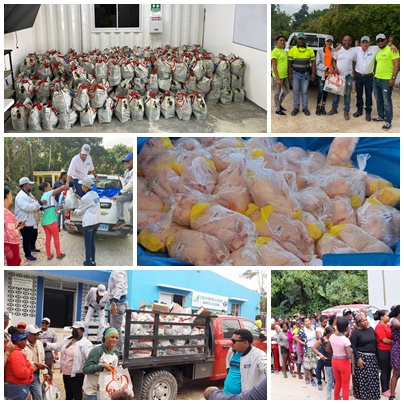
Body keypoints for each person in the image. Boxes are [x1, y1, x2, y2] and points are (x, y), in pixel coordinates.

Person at [45, 321, 93, 400]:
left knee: (77, 395)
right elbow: (57, 346)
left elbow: (89, 356)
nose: (74, 331)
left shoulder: (86, 343)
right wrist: (46, 344)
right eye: (73, 329)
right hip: (66, 373)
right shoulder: (68, 339)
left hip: (77, 374)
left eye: (76, 329)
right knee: (68, 394)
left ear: (82, 331)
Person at [223, 329, 266, 394]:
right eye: (231, 340)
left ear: (245, 343)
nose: (231, 343)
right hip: (225, 393)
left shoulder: (258, 355)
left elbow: (265, 366)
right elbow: (228, 368)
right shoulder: (231, 351)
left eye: (234, 341)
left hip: (242, 397)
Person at [82, 327, 120, 400]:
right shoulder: (97, 350)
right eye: (112, 337)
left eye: (117, 338)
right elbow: (85, 369)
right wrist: (102, 366)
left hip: (106, 391)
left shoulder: (116, 352)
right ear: (105, 337)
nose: (115, 340)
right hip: (93, 392)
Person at [14, 177, 46, 262]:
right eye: (29, 184)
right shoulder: (21, 196)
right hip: (24, 221)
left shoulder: (28, 194)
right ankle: (27, 255)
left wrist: (40, 206)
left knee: (34, 234)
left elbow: (34, 202)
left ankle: (32, 247)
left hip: (31, 219)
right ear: (25, 185)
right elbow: (27, 207)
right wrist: (39, 203)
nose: (31, 186)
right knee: (26, 238)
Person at [372, 33, 400, 130]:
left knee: (387, 101)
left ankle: (388, 121)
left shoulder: (392, 49)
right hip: (376, 79)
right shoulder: (378, 52)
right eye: (378, 41)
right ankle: (380, 116)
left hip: (386, 80)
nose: (380, 42)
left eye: (382, 40)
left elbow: (397, 64)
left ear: (385, 40)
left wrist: (393, 78)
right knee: (378, 99)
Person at [350, 311, 379, 400]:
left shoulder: (371, 329)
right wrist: (358, 358)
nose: (365, 322)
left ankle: (373, 395)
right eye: (363, 321)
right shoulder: (356, 333)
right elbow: (353, 347)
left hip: (372, 357)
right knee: (363, 379)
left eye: (366, 320)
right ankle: (364, 396)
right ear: (358, 323)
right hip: (362, 357)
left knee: (373, 377)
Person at [73, 177, 101, 266]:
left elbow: (80, 212)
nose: (81, 186)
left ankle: (88, 264)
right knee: (92, 243)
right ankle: (93, 261)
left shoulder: (86, 197)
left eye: (82, 185)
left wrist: (74, 210)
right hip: (96, 222)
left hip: (89, 223)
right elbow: (89, 204)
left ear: (85, 187)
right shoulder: (95, 194)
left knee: (87, 245)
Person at [327, 35, 356, 120]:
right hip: (338, 75)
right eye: (345, 40)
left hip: (348, 76)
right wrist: (335, 67)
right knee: (336, 92)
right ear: (342, 41)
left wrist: (353, 72)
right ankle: (334, 108)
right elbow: (333, 60)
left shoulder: (353, 51)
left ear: (351, 42)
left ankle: (346, 111)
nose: (347, 42)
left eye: (349, 40)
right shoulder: (338, 50)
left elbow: (354, 63)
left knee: (347, 94)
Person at [288, 32, 316, 116]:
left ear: (305, 40)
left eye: (302, 39)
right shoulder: (292, 50)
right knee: (296, 91)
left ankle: (305, 108)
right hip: (295, 73)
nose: (301, 40)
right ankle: (296, 108)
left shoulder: (310, 50)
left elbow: (313, 62)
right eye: (299, 39)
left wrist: (313, 73)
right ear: (297, 39)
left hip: (306, 74)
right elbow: (289, 63)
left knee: (304, 92)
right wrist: (289, 74)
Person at [38, 181, 67, 260]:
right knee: (56, 238)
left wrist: (57, 211)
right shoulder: (49, 193)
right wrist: (65, 185)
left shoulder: (43, 196)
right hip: (51, 221)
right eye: (49, 186)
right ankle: (58, 254)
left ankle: (49, 255)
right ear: (46, 188)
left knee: (48, 238)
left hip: (44, 222)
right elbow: (60, 189)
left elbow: (48, 209)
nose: (51, 187)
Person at [4, 326, 35, 400]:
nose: (26, 343)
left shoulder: (14, 352)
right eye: (25, 341)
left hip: (15, 386)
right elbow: (21, 373)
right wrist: (32, 368)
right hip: (18, 386)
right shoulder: (16, 353)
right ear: (19, 341)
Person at [23, 324, 48, 400]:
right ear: (27, 334)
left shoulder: (39, 344)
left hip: (36, 375)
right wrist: (34, 364)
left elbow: (42, 359)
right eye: (34, 334)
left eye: (37, 334)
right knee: (24, 397)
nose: (36, 336)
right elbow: (22, 360)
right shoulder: (22, 344)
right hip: (24, 375)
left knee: (38, 397)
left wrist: (45, 374)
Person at [107, 270, 128, 355]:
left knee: (115, 330)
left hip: (118, 303)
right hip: (118, 302)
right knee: (114, 328)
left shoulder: (118, 271)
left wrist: (114, 301)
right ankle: (117, 350)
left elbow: (120, 286)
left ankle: (118, 352)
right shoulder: (116, 271)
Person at [111, 152, 133, 230]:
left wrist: (119, 193)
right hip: (129, 193)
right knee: (119, 199)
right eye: (125, 162)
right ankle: (121, 219)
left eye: (128, 161)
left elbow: (130, 184)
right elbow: (125, 185)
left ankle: (132, 225)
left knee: (131, 207)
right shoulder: (127, 172)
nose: (126, 163)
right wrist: (119, 195)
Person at [4, 187, 25, 266]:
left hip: (5, 242)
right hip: (11, 243)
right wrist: (19, 227)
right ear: (7, 195)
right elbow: (12, 233)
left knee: (16, 261)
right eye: (11, 195)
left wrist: (16, 225)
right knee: (13, 264)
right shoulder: (6, 212)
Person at [374, 309, 393, 397]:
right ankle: (384, 389)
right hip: (383, 350)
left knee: (389, 369)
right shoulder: (379, 327)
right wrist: (395, 342)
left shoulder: (387, 325)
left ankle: (388, 387)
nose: (389, 317)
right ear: (381, 317)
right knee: (385, 369)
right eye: (387, 315)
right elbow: (384, 340)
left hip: (390, 349)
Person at [313, 325, 335, 399]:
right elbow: (314, 348)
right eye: (332, 333)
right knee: (329, 381)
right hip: (328, 362)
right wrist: (320, 354)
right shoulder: (322, 340)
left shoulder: (335, 339)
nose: (333, 334)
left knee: (337, 381)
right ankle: (328, 398)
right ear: (327, 333)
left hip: (336, 361)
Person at [315, 35, 334, 115]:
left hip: (329, 75)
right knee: (320, 91)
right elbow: (317, 63)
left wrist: (332, 68)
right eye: (328, 41)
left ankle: (323, 106)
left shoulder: (333, 50)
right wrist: (327, 69)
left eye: (330, 41)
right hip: (321, 74)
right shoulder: (320, 50)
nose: (329, 43)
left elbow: (334, 60)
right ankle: (318, 106)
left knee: (326, 91)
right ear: (325, 42)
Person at [271, 34, 289, 116]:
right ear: (276, 41)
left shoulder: (283, 50)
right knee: (277, 92)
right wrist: (277, 79)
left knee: (286, 91)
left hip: (285, 75)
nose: (282, 42)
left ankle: (278, 104)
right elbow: (274, 66)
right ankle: (277, 110)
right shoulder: (275, 51)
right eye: (280, 40)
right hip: (277, 76)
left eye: (283, 41)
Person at [38, 317, 58, 382]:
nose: (44, 324)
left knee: (48, 369)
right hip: (38, 351)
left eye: (46, 323)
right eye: (43, 323)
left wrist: (56, 354)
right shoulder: (37, 331)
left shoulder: (53, 333)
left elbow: (55, 345)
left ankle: (49, 384)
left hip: (48, 352)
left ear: (48, 324)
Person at [299, 317, 317, 386]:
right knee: (309, 365)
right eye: (306, 321)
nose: (307, 322)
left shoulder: (314, 327)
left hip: (316, 347)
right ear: (304, 323)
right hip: (308, 348)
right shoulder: (302, 330)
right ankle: (311, 379)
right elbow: (295, 337)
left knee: (317, 364)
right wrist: (302, 342)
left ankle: (319, 377)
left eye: (308, 320)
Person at [389, 305, 400, 401]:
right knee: (397, 373)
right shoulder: (394, 320)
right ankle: (392, 395)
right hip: (398, 349)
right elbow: (397, 324)